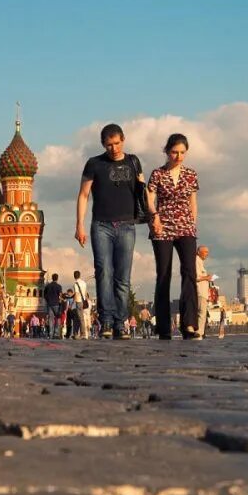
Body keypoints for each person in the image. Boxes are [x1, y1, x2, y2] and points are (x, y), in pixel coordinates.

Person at [76, 123, 144, 339]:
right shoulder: (94, 164)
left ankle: (120, 323)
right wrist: (79, 224)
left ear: (123, 140)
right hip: (101, 225)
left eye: (116, 143)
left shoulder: (133, 161)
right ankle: (106, 321)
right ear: (103, 145)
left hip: (126, 225)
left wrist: (153, 216)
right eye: (108, 145)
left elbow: (143, 191)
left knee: (123, 278)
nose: (113, 148)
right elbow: (84, 195)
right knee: (104, 273)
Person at [147, 133, 201, 340]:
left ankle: (189, 324)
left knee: (189, 273)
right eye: (174, 152)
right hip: (162, 226)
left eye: (182, 153)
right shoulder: (158, 174)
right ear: (167, 151)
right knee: (164, 274)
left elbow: (193, 201)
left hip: (186, 227)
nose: (178, 156)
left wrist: (192, 223)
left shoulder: (191, 174)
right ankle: (163, 327)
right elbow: (150, 199)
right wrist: (155, 217)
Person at [194, 246, 213, 339]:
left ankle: (199, 333)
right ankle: (199, 333)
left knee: (201, 313)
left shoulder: (200, 262)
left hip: (203, 293)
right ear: (198, 252)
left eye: (207, 252)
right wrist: (207, 278)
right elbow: (196, 277)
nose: (207, 254)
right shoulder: (196, 261)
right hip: (200, 292)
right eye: (205, 252)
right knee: (201, 313)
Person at [43, 273, 64, 338]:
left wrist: (48, 300)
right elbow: (60, 296)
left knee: (50, 319)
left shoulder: (47, 286)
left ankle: (50, 333)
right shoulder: (59, 286)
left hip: (49, 304)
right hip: (56, 304)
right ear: (57, 278)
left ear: (52, 278)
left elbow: (45, 295)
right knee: (57, 318)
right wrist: (60, 303)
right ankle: (56, 334)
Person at [72, 270, 92, 339]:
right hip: (84, 301)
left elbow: (76, 294)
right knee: (81, 317)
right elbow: (86, 293)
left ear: (74, 276)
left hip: (79, 301)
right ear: (79, 275)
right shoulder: (84, 283)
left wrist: (72, 303)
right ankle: (78, 333)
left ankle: (82, 333)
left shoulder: (75, 284)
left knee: (80, 318)